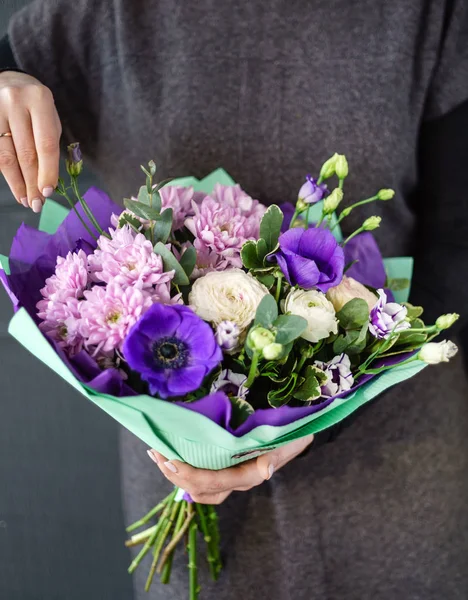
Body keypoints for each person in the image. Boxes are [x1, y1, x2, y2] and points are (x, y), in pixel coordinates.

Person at [1, 1, 468, 598]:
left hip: (397, 482)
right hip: (187, 485)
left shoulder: (427, 15)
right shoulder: (102, 14)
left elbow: (457, 245)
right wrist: (6, 82)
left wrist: (318, 415)